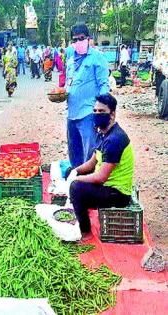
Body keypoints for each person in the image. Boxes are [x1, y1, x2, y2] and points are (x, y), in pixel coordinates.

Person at [67, 94, 134, 240]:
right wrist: (75, 171)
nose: (97, 114)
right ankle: (81, 202)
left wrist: (77, 180)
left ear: (112, 114)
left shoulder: (114, 139)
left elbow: (101, 177)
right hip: (106, 185)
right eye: (95, 111)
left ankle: (86, 233)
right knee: (70, 171)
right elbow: (92, 162)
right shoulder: (102, 133)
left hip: (118, 194)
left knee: (76, 188)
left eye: (101, 111)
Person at [65, 23, 110, 168]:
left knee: (89, 151)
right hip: (72, 113)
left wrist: (102, 110)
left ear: (88, 39)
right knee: (74, 150)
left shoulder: (97, 57)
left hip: (88, 113)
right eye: (75, 39)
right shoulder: (71, 59)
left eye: (81, 38)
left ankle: (88, 182)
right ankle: (76, 177)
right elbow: (69, 82)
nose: (78, 42)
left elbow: (104, 84)